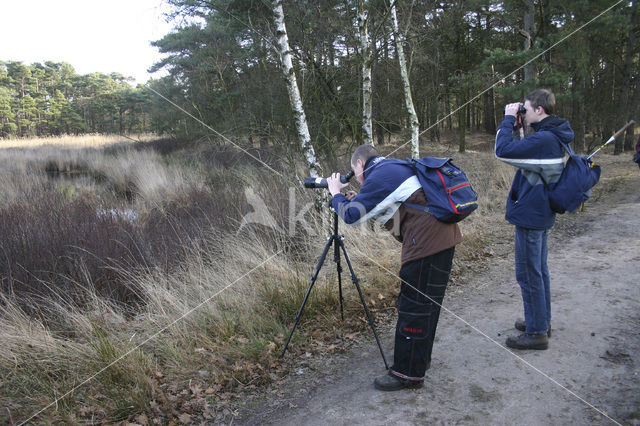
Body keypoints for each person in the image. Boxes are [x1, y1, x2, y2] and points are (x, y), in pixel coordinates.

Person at [326, 144, 462, 391]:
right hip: (443, 238)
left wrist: (335, 193)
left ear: (359, 164)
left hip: (426, 246)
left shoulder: (378, 175)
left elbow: (350, 216)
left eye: (354, 173)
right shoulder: (393, 166)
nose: (356, 180)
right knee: (428, 306)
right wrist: (358, 199)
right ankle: (419, 362)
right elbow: (396, 206)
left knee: (414, 308)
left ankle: (407, 373)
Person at [495, 88, 574, 350]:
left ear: (539, 110)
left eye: (526, 109)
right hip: (540, 211)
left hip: (533, 213)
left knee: (529, 273)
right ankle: (540, 321)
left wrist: (508, 119)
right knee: (538, 271)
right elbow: (522, 153)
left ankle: (537, 332)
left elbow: (503, 151)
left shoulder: (545, 139)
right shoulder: (552, 135)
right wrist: (519, 125)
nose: (523, 113)